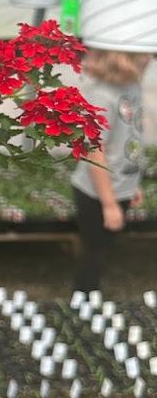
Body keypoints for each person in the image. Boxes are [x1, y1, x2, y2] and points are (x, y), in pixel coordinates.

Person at [71, 49, 152, 294]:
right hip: (97, 193)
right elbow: (94, 150)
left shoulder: (132, 88)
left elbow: (127, 141)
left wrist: (130, 183)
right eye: (144, 54)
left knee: (104, 248)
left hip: (119, 187)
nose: (150, 59)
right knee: (95, 251)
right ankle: (84, 300)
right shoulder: (102, 95)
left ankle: (89, 298)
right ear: (121, 57)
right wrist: (108, 203)